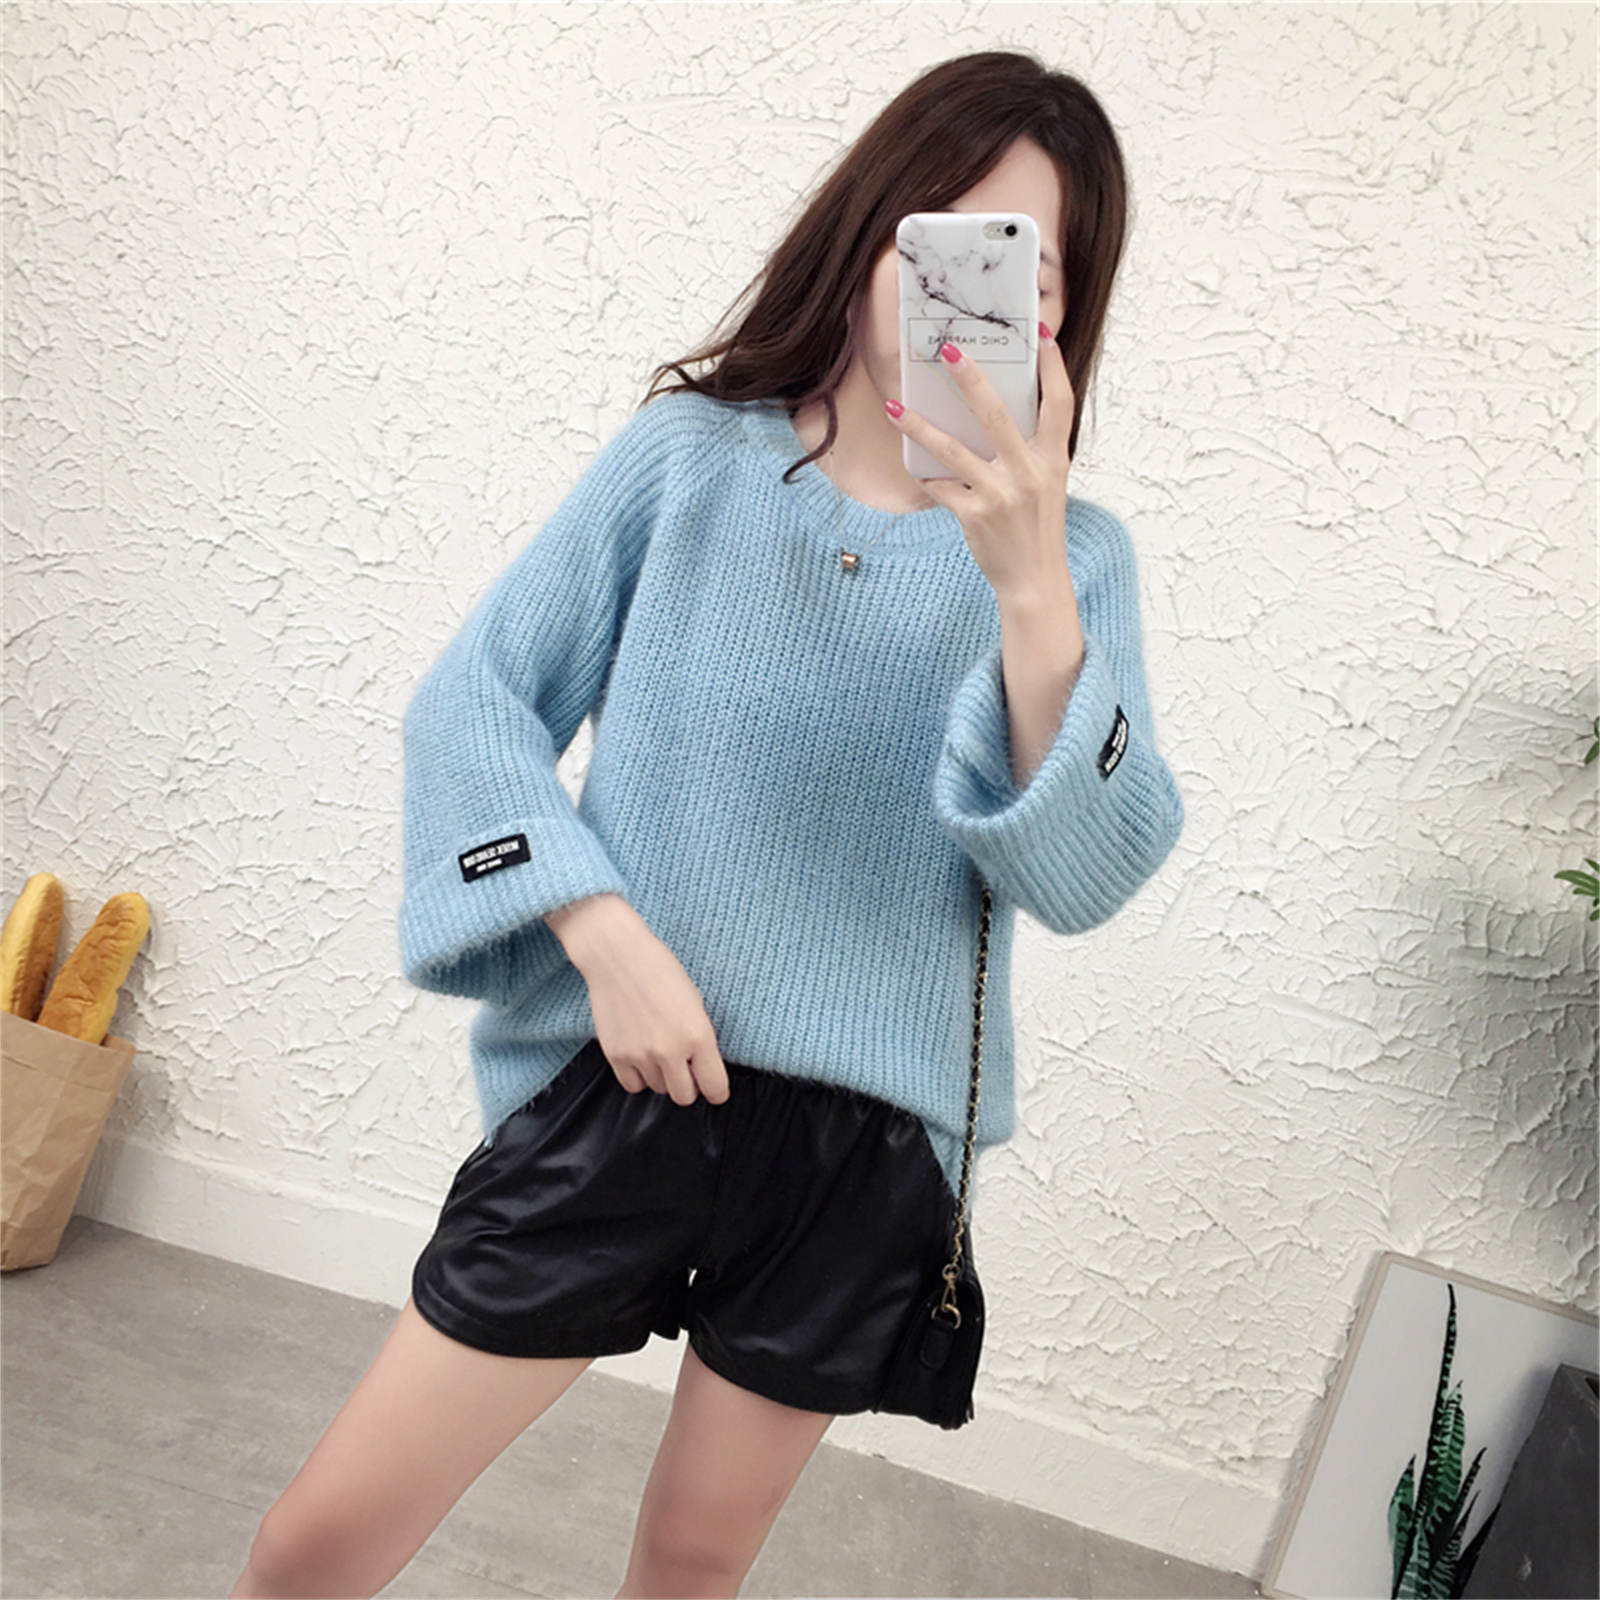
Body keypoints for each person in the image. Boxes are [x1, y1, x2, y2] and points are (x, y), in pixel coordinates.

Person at [231, 48, 1183, 1600]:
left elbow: (1087, 869)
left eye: (1024, 268)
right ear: (871, 235)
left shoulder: (1076, 567)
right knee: (314, 1543)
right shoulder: (690, 462)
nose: (966, 295)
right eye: (942, 237)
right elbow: (470, 706)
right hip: (625, 1082)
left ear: (1062, 321)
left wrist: (1027, 593)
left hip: (865, 1155)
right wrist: (597, 929)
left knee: (689, 1564)